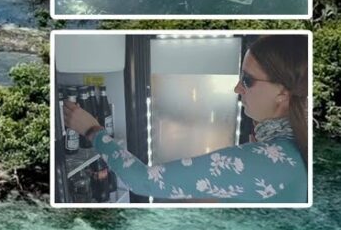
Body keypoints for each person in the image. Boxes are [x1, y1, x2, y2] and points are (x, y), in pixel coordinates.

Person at [64, 35, 308, 202]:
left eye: (247, 81)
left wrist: (92, 130)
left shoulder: (265, 161)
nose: (236, 89)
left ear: (283, 93)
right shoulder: (290, 148)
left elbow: (143, 181)